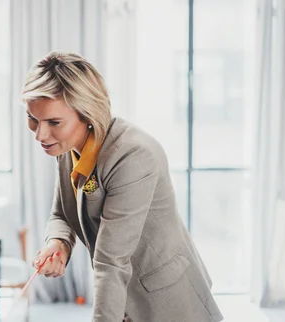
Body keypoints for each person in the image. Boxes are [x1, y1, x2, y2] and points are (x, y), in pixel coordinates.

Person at [23, 52, 224, 322]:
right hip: (121, 297)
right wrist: (57, 244)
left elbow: (111, 261)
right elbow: (62, 213)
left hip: (167, 302)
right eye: (33, 119)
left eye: (53, 122)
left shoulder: (132, 155)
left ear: (87, 114)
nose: (40, 134)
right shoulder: (67, 146)